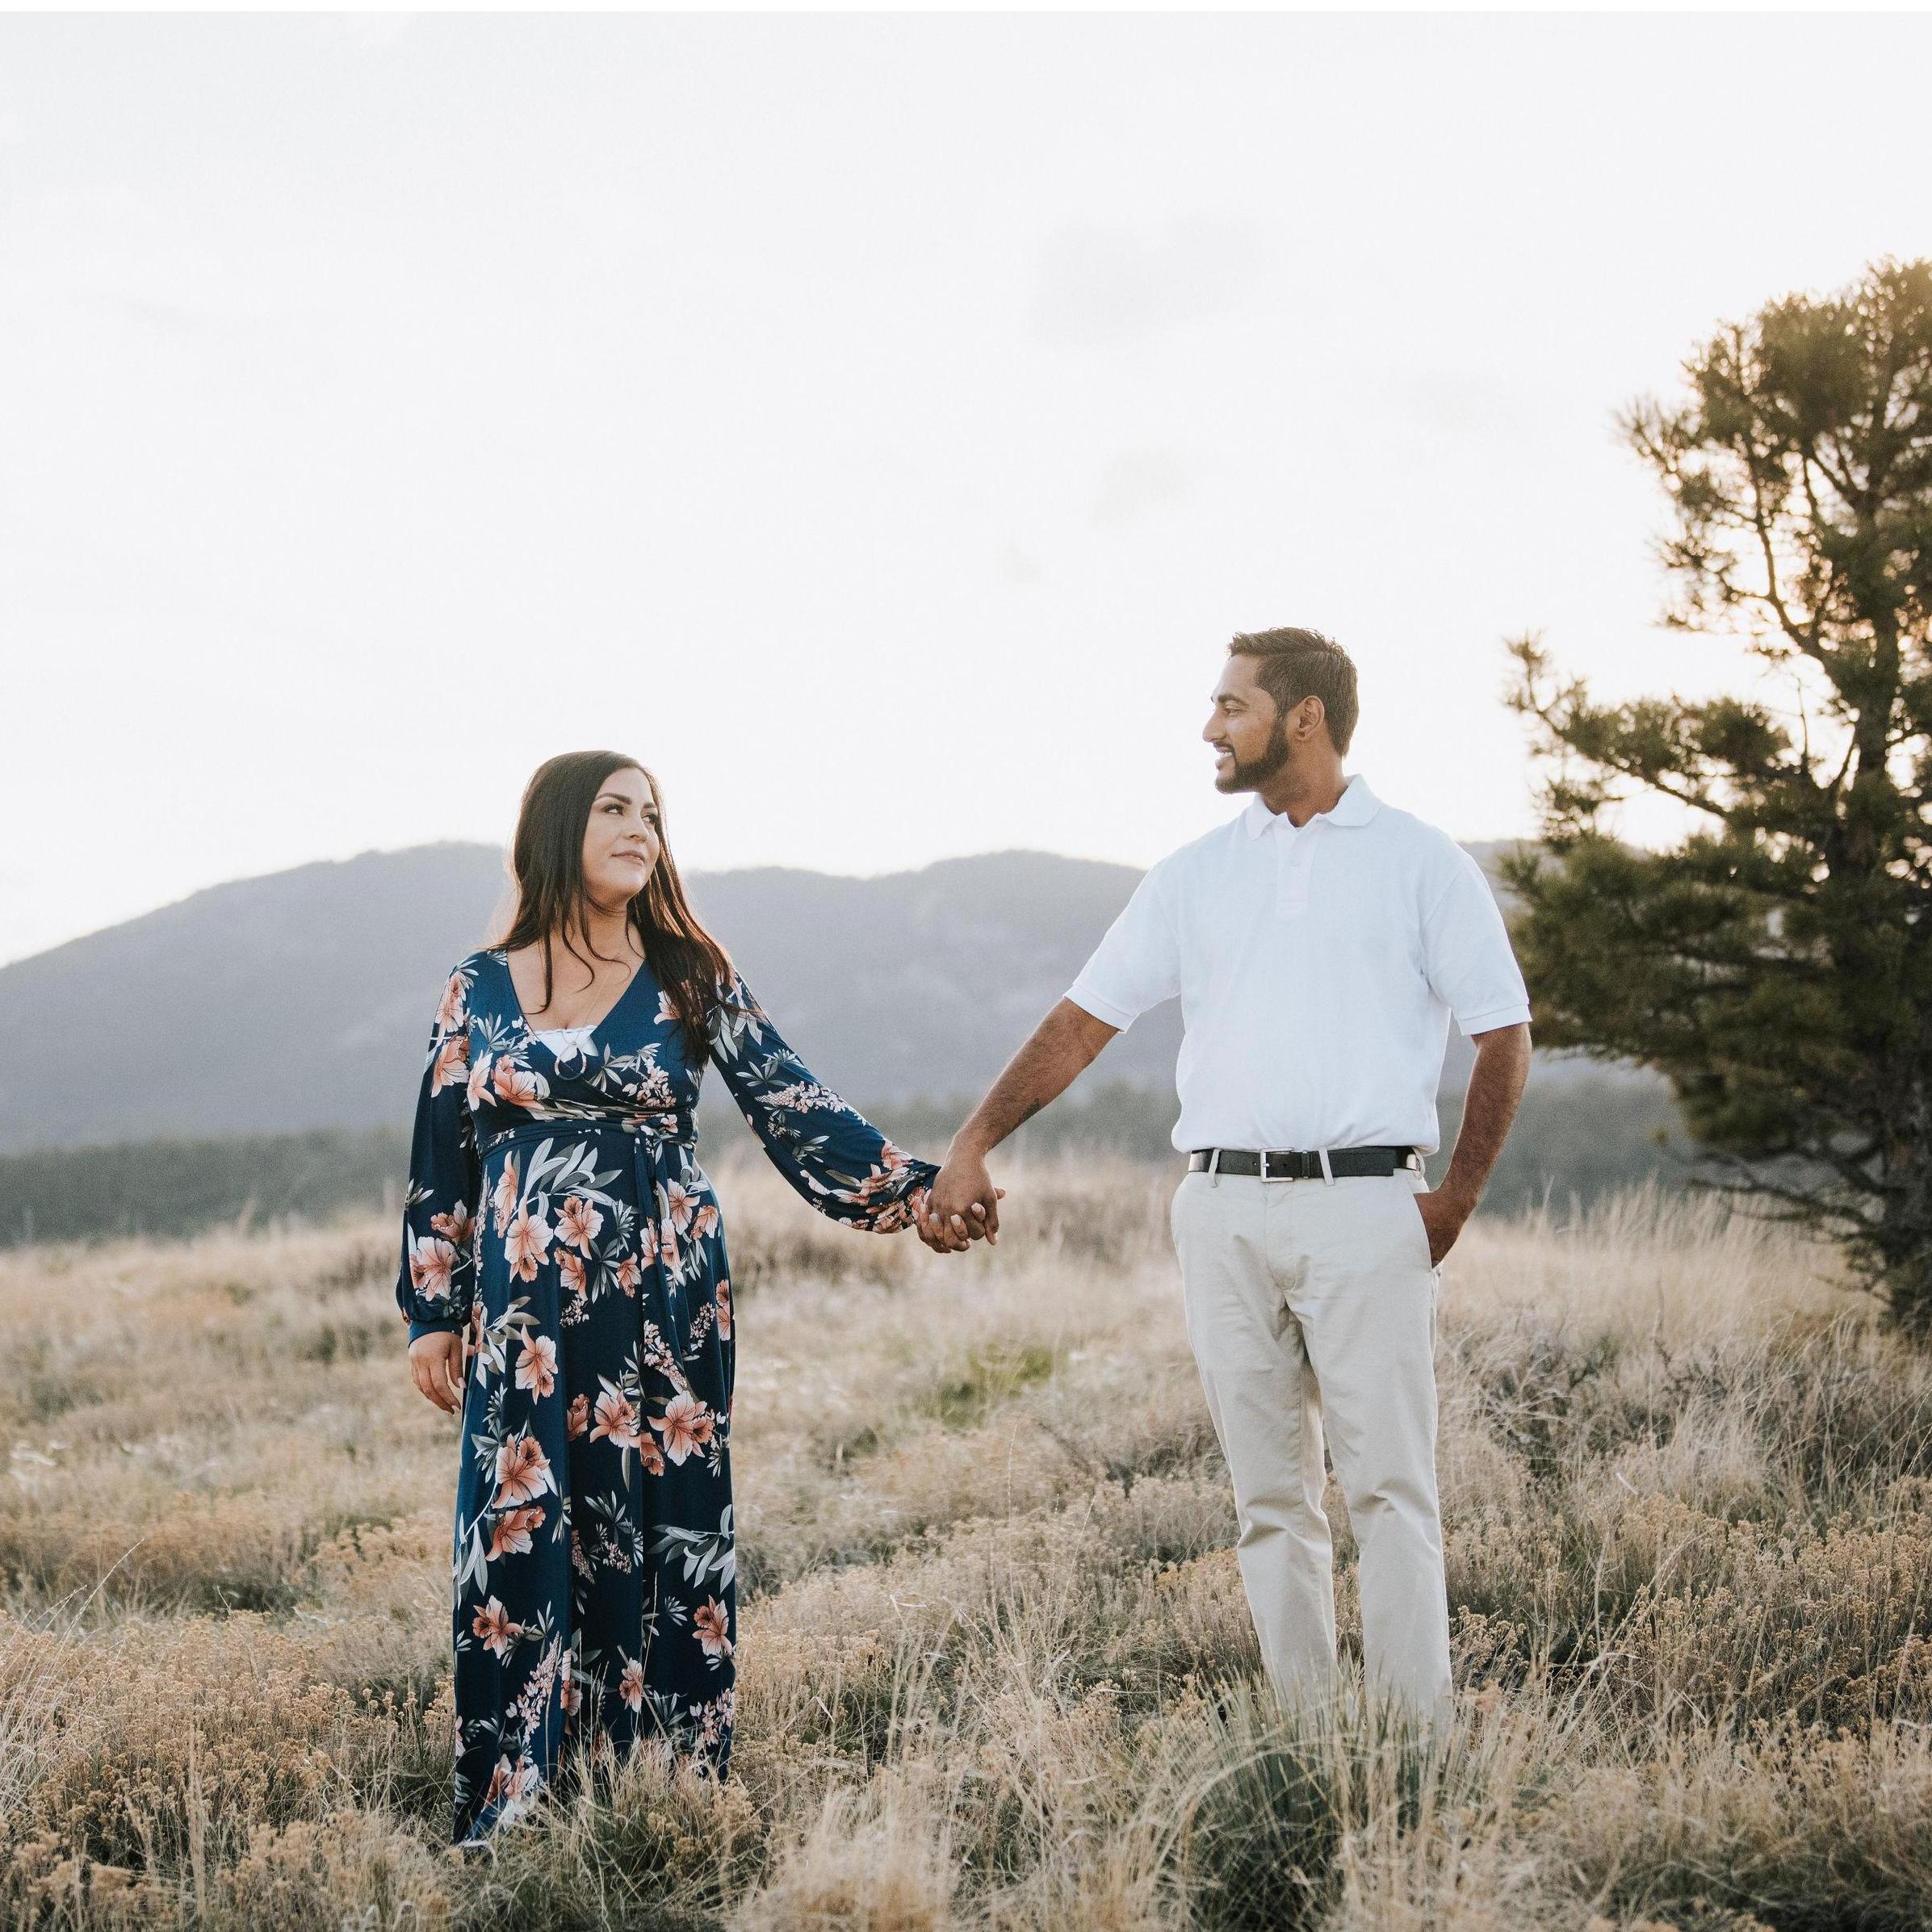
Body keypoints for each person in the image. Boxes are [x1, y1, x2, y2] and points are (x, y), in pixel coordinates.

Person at [921, 627, 1532, 1737]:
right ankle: (1308, 1736)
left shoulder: (1419, 861)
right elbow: (1079, 1023)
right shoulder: (1194, 875)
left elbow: (1502, 1035)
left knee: (1391, 1489)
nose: (1210, 726)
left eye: (1230, 705)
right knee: (1268, 1500)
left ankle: (1413, 1746)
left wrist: (1453, 1200)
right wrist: (972, 1141)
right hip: (1220, 1208)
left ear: (1303, 716)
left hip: (1366, 1205)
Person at [396, 749, 948, 1844]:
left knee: (659, 1521)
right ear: (557, 825)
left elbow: (790, 1101)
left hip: (661, 1294)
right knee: (517, 1526)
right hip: (521, 1319)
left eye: (651, 811)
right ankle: (513, 1797)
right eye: (613, 807)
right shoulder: (478, 981)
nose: (640, 826)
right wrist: (431, 1307)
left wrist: (913, 1192)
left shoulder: (689, 970)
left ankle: (663, 1791)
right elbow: (440, 1150)